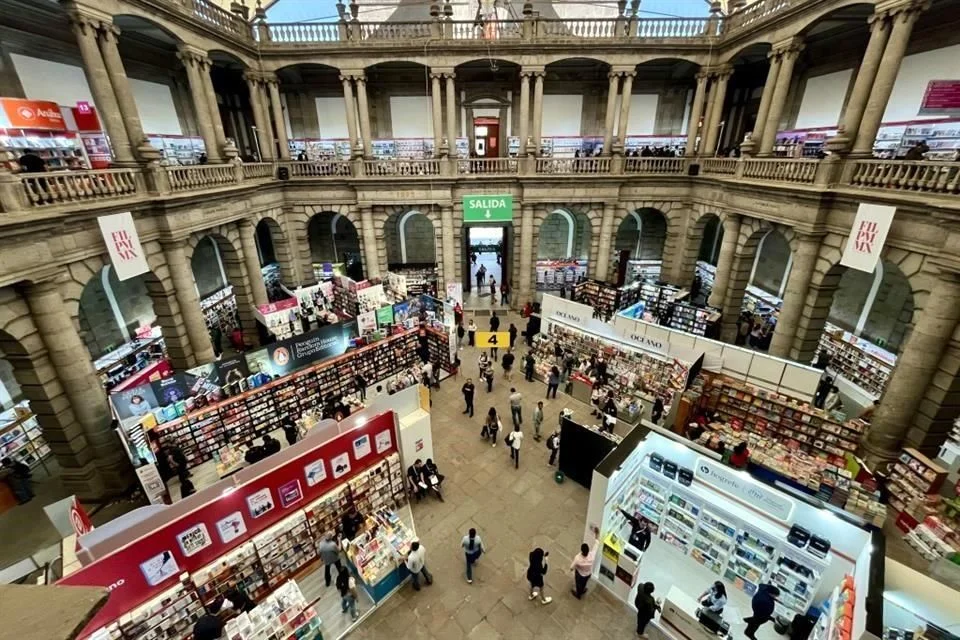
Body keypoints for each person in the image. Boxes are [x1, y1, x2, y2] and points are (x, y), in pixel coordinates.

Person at [569, 526, 600, 599]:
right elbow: (597, 542)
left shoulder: (578, 558)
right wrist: (597, 533)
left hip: (580, 574)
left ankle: (578, 594)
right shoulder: (592, 555)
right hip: (588, 574)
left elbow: (571, 567)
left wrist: (573, 569)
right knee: (584, 583)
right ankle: (582, 589)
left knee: (578, 584)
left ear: (582, 550)